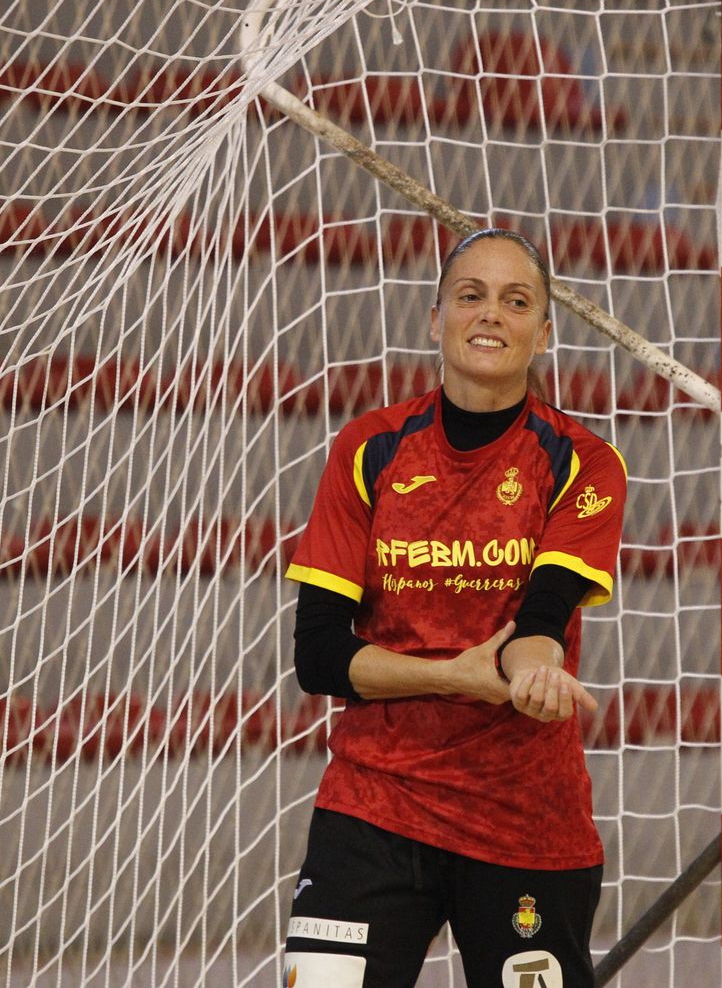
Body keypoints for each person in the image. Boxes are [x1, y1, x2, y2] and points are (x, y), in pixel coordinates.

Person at [281, 227, 627, 987]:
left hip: (522, 815)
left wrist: (533, 671)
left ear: (545, 332)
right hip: (375, 805)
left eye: (516, 301)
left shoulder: (583, 462)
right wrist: (450, 677)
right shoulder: (369, 448)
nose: (490, 313)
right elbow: (318, 654)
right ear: (436, 319)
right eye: (471, 295)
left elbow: (542, 618)